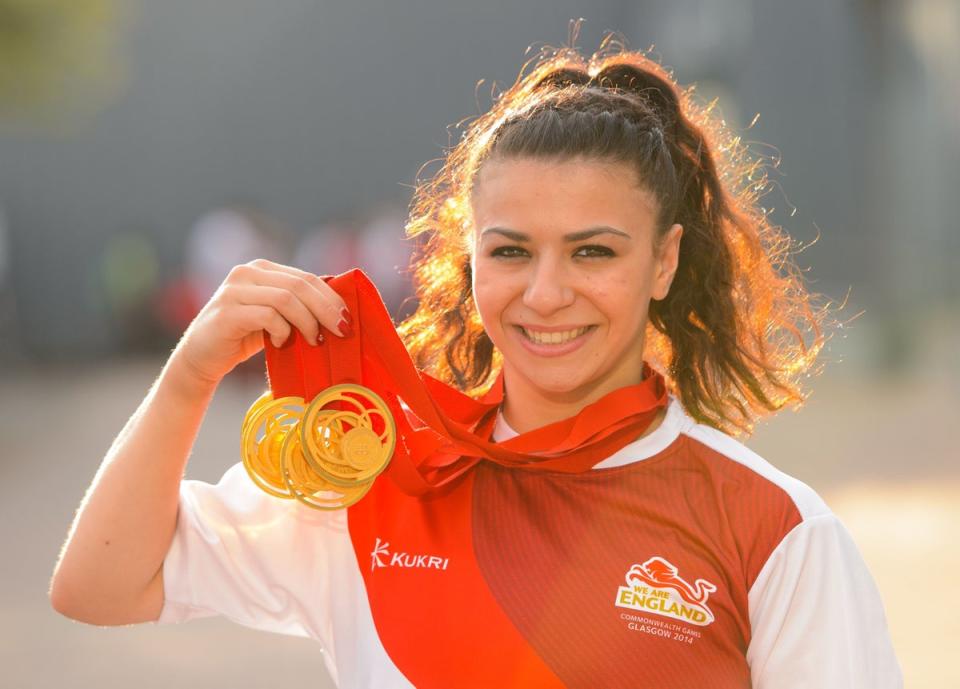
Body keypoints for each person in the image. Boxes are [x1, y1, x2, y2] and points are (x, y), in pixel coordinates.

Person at [49, 28, 903, 689]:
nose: (545, 292)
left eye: (594, 251)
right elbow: (100, 586)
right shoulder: (376, 471)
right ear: (467, 257)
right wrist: (189, 374)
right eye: (510, 251)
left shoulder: (773, 530)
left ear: (665, 260)